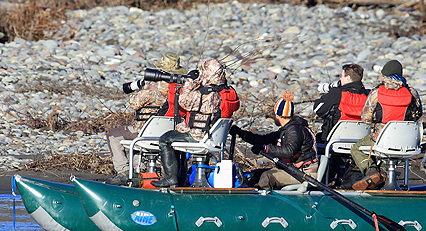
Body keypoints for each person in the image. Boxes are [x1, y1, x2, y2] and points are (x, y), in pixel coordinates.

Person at [105, 53, 186, 185]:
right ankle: (140, 171)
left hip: (145, 132)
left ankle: (123, 172)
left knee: (113, 135)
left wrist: (142, 87)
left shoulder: (152, 86)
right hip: (167, 134)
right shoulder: (179, 88)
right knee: (138, 138)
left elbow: (134, 103)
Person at [151, 59, 229, 188]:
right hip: (214, 137)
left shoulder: (204, 93)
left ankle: (171, 178)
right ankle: (181, 178)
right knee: (176, 133)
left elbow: (183, 101)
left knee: (165, 139)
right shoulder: (225, 91)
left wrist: (190, 81)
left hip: (199, 137)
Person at [350, 60, 423, 190]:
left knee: (357, 148)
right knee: (386, 150)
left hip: (382, 139)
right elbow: (418, 114)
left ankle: (372, 171)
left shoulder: (376, 93)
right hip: (408, 141)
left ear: (384, 76)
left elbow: (365, 118)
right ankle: (385, 175)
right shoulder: (412, 93)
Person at [230, 91, 318, 190]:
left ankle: (263, 203)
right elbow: (263, 139)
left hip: (305, 173)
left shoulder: (294, 130)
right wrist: (241, 133)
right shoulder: (286, 129)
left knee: (267, 177)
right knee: (256, 174)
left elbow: (289, 151)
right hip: (295, 170)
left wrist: (265, 148)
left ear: (278, 115)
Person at [313, 63, 370, 145]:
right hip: (361, 141)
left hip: (335, 141)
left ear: (348, 78)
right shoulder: (368, 94)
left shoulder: (338, 93)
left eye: (342, 76)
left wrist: (330, 93)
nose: (340, 78)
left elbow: (318, 109)